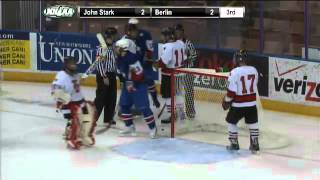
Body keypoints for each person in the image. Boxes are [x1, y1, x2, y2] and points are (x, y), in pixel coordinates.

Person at [115, 38, 157, 138]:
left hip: (139, 86)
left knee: (144, 107)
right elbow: (122, 70)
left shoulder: (133, 59)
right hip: (128, 84)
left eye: (118, 48)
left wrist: (130, 82)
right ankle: (129, 127)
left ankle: (153, 128)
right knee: (124, 106)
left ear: (125, 49)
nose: (116, 50)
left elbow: (138, 75)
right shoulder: (121, 57)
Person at [51, 56, 96, 150]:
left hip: (80, 101)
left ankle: (84, 136)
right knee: (75, 120)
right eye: (71, 64)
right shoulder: (61, 75)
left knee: (87, 118)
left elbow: (81, 79)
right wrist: (62, 98)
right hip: (69, 103)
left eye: (75, 63)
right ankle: (72, 139)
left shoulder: (76, 74)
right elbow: (55, 91)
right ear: (66, 65)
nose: (74, 65)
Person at [222, 49, 260, 154]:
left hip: (238, 104)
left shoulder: (234, 72)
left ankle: (234, 143)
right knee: (253, 122)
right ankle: (255, 143)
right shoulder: (254, 70)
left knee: (231, 121)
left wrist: (226, 100)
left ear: (237, 59)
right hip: (252, 103)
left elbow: (231, 92)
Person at [126, 18, 160, 108]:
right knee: (131, 83)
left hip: (142, 63)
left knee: (149, 80)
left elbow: (150, 49)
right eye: (130, 28)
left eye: (134, 28)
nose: (132, 31)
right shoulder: (125, 38)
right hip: (131, 65)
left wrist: (148, 59)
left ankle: (154, 98)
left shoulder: (145, 34)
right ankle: (130, 104)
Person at [156, 27, 187, 123]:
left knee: (167, 96)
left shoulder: (168, 46)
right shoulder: (181, 43)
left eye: (163, 35)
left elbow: (163, 63)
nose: (162, 37)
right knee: (178, 94)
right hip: (180, 74)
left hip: (169, 75)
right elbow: (185, 58)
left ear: (169, 36)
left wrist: (154, 64)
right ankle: (182, 115)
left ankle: (172, 115)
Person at [93, 27, 118, 127]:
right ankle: (93, 118)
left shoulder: (113, 47)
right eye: (113, 35)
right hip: (104, 75)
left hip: (112, 74)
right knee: (101, 98)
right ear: (110, 36)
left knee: (112, 98)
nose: (114, 37)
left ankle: (108, 118)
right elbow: (99, 64)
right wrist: (104, 76)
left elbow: (114, 62)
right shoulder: (102, 48)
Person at [175, 24, 198, 119]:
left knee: (188, 92)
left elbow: (194, 55)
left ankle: (190, 112)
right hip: (177, 72)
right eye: (176, 31)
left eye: (179, 31)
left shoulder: (188, 43)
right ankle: (179, 112)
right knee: (177, 92)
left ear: (182, 32)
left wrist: (187, 59)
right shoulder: (174, 43)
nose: (177, 33)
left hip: (188, 71)